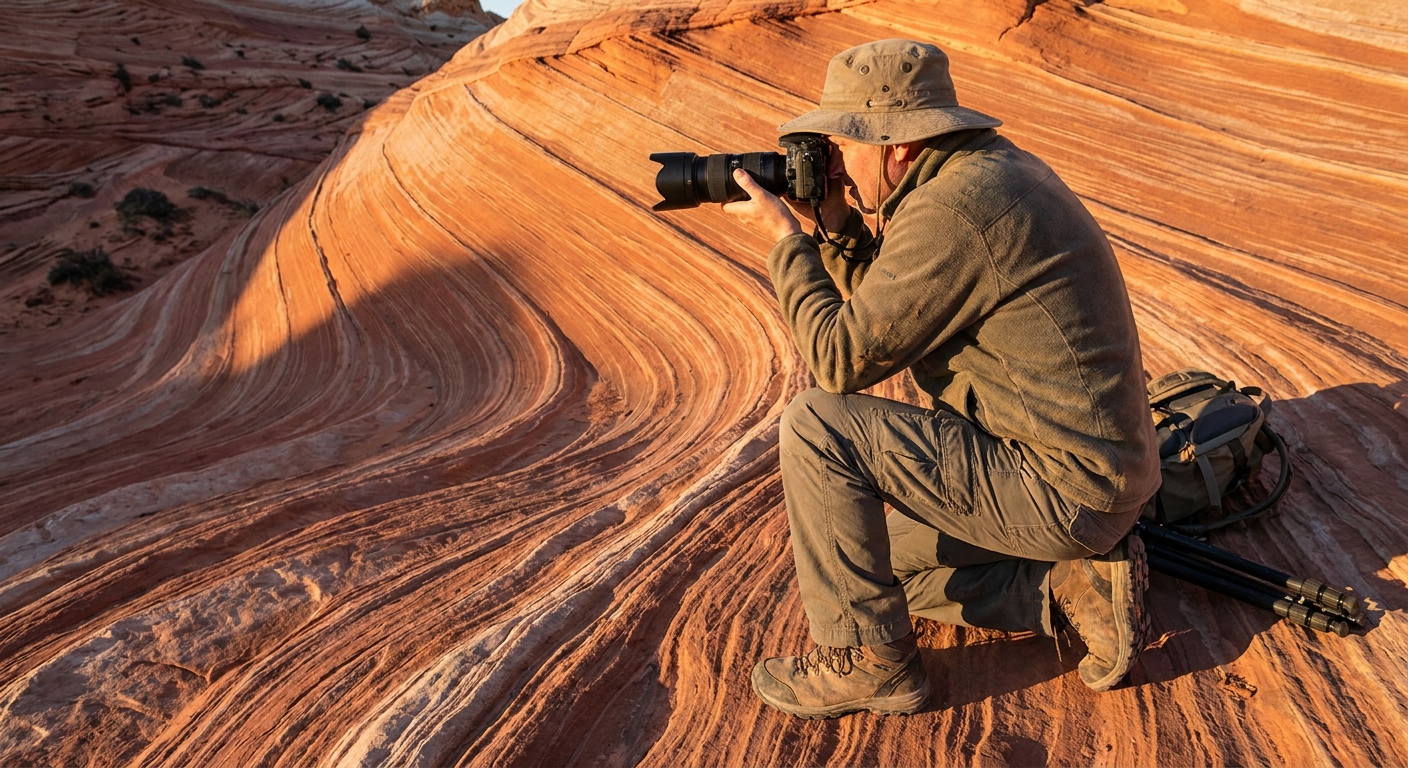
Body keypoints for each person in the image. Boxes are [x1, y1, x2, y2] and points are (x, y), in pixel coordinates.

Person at [720, 38, 1161, 719]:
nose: (835, 161)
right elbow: (891, 308)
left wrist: (788, 242)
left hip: (1062, 485)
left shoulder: (956, 210)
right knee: (869, 568)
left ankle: (870, 667)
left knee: (816, 423)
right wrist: (836, 223)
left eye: (845, 143)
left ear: (896, 145)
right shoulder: (982, 174)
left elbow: (840, 359)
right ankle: (1066, 590)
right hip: (1090, 472)